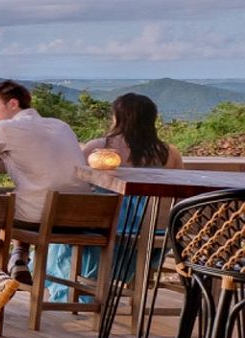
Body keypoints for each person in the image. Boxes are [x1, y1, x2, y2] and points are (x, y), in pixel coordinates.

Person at [45, 93, 185, 302]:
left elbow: (76, 183)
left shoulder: (99, 149)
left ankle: (72, 291)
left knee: (65, 228)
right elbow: (179, 190)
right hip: (156, 230)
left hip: (110, 225)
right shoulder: (169, 153)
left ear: (117, 117)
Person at [0, 80, 93, 284]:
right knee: (24, 192)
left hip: (39, 219)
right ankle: (19, 255)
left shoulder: (5, 128)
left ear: (13, 104)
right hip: (78, 218)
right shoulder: (60, 125)